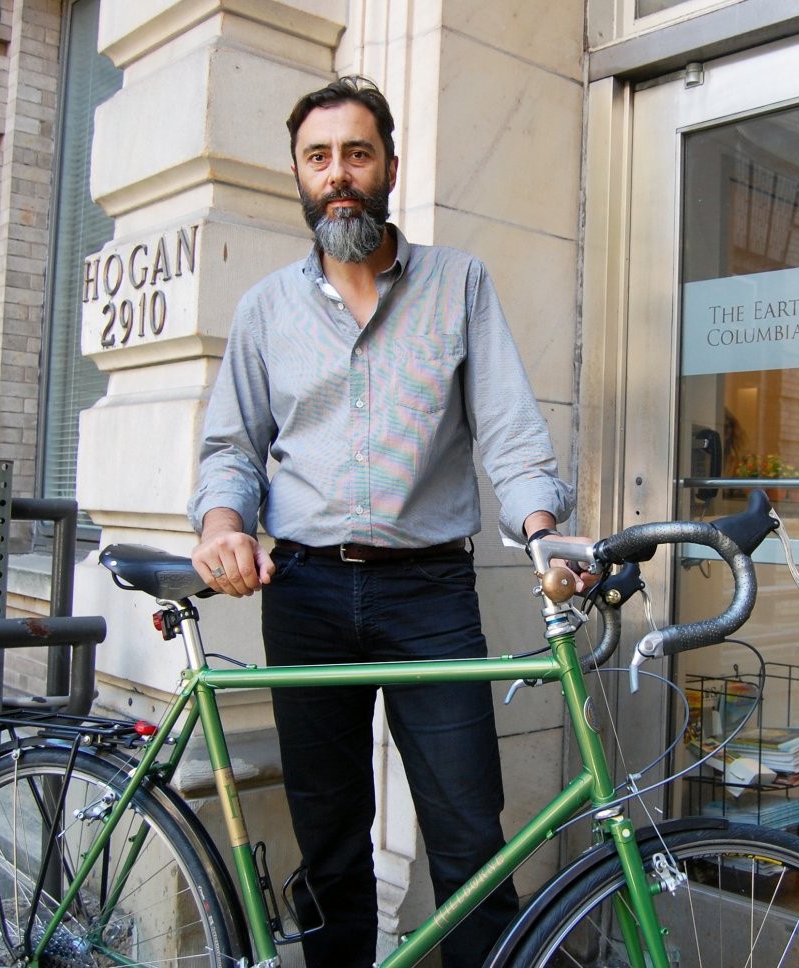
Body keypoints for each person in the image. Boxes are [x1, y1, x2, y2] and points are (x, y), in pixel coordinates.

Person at [188, 75, 576, 968]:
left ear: (390, 165)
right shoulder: (264, 311)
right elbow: (231, 450)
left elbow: (511, 432)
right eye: (318, 158)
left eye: (356, 154)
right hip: (307, 592)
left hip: (429, 593)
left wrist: (544, 529)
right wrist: (222, 525)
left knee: (471, 836)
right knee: (328, 839)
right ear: (298, 173)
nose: (339, 175)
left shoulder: (459, 283)